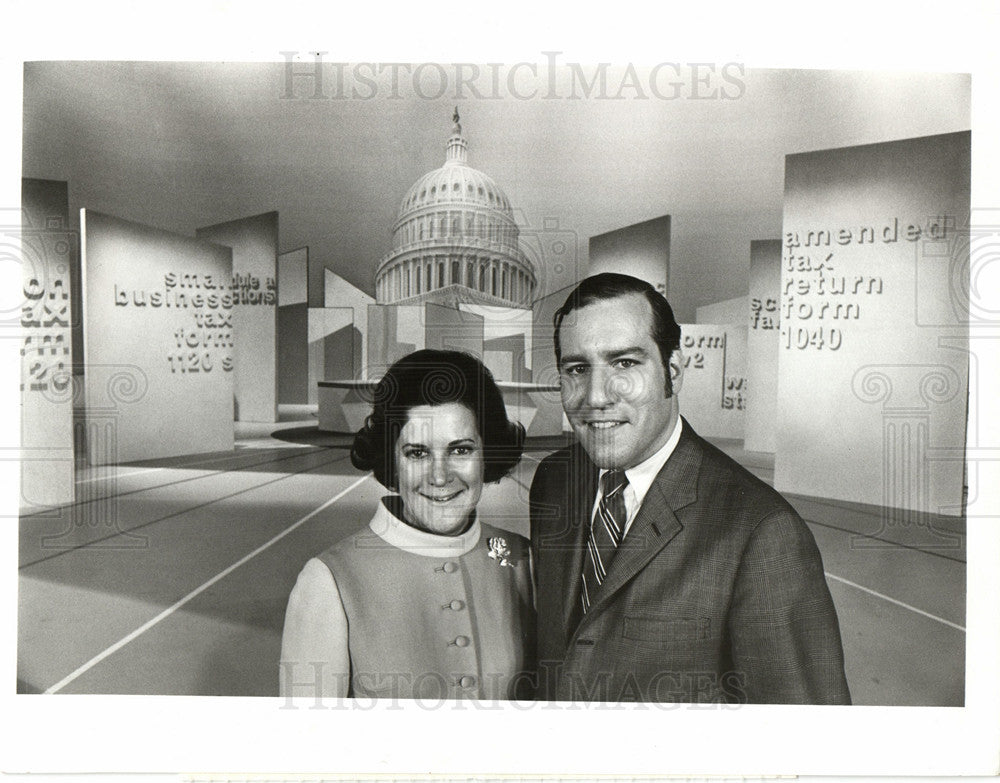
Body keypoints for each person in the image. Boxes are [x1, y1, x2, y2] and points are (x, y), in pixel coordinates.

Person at [529, 273, 851, 704]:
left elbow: (807, 740)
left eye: (625, 363)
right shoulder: (554, 480)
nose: (596, 396)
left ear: (673, 372)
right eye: (576, 368)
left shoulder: (763, 533)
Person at [280, 349, 534, 701]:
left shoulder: (523, 559)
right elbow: (309, 744)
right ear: (391, 460)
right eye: (417, 453)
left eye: (460, 450)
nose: (441, 475)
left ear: (486, 453)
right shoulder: (328, 580)